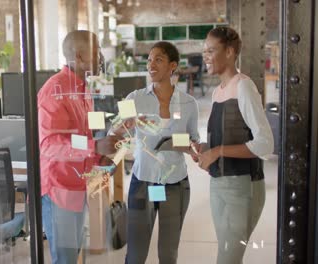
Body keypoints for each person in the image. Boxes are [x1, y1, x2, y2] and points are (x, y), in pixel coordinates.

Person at [37, 30, 120, 264]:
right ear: (80, 57)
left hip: (78, 184)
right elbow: (50, 144)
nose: (101, 57)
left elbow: (81, 137)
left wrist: (101, 159)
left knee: (73, 255)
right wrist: (95, 146)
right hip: (59, 188)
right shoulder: (54, 91)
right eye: (96, 52)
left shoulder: (84, 90)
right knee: (64, 258)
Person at [113, 41, 200, 264]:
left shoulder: (189, 103)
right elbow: (114, 132)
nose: (151, 64)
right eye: (149, 60)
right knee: (135, 255)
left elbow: (194, 142)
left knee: (168, 255)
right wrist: (126, 125)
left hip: (175, 185)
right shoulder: (133, 97)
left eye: (158, 59)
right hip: (143, 183)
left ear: (173, 65)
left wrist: (191, 147)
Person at [197, 26, 274, 264]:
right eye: (204, 51)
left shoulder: (244, 86)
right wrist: (205, 149)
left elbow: (265, 144)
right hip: (219, 184)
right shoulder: (217, 92)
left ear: (229, 52)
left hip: (242, 186)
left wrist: (218, 151)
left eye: (211, 50)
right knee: (228, 254)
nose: (205, 56)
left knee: (228, 258)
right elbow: (228, 136)